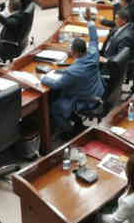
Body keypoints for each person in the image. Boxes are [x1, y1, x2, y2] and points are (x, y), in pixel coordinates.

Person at [41, 8, 105, 136]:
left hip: (86, 100)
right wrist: (89, 22)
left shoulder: (73, 71)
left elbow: (56, 85)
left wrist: (43, 78)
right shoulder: (93, 52)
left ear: (75, 53)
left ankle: (69, 132)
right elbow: (94, 39)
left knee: (55, 107)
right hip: (98, 91)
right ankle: (76, 121)